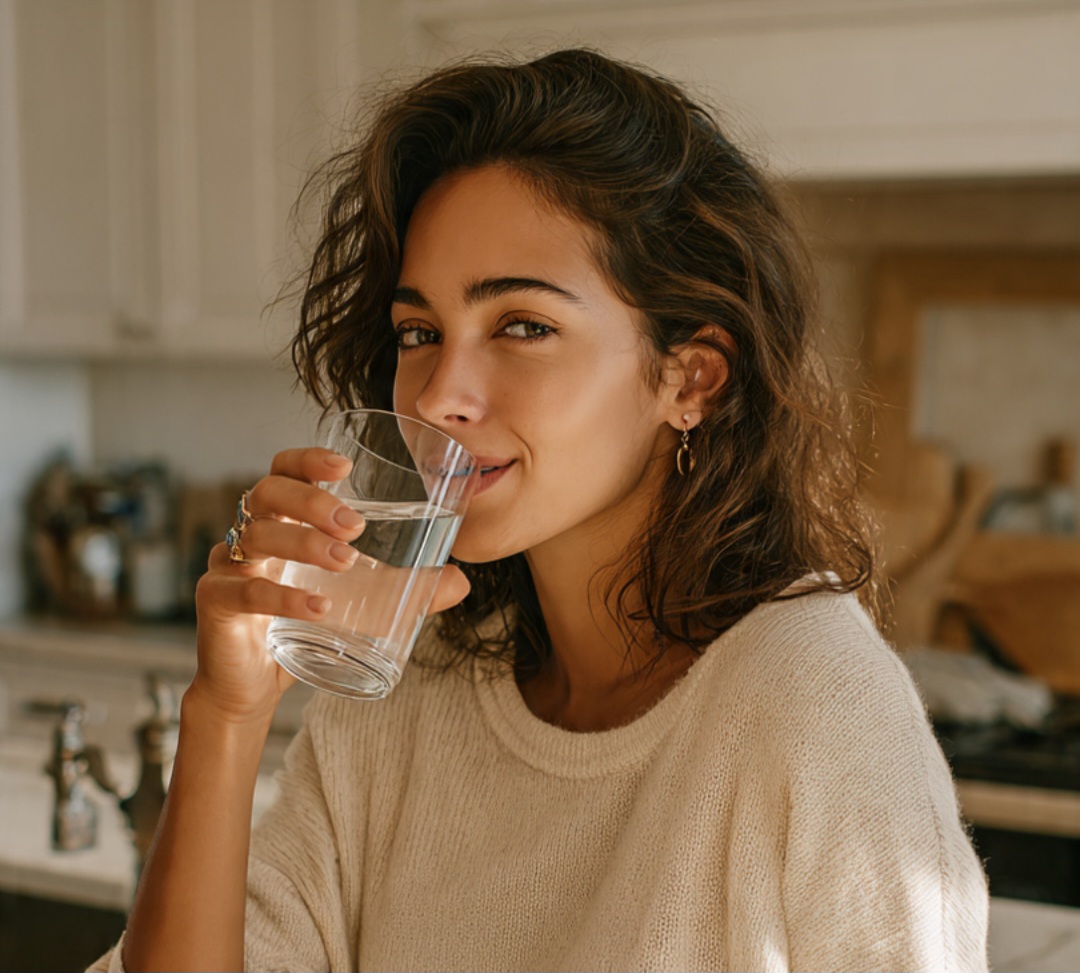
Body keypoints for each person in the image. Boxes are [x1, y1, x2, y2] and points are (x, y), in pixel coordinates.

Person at [89, 48, 989, 972]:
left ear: (691, 378)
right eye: (418, 332)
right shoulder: (410, 688)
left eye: (523, 325)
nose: (439, 395)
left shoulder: (816, 702)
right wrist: (224, 715)